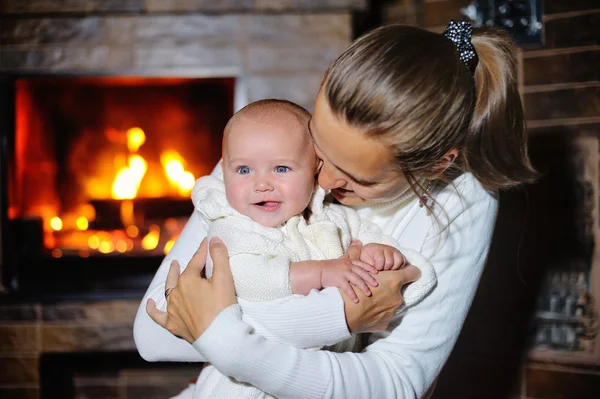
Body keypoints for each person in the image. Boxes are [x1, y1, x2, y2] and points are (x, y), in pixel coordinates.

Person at [135, 20, 536, 398]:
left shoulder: (462, 201)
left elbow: (395, 382)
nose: (321, 184)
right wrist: (338, 315)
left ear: (437, 166)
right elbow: (153, 333)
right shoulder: (270, 147)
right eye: (320, 148)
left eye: (357, 178)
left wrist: (223, 334)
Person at [189, 98, 436, 398]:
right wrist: (321, 274)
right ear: (224, 173)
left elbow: (411, 277)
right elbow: (243, 278)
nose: (261, 184)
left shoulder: (336, 219)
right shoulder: (230, 225)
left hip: (318, 377)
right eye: (243, 171)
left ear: (314, 172)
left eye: (280, 168)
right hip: (242, 389)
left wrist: (383, 256)